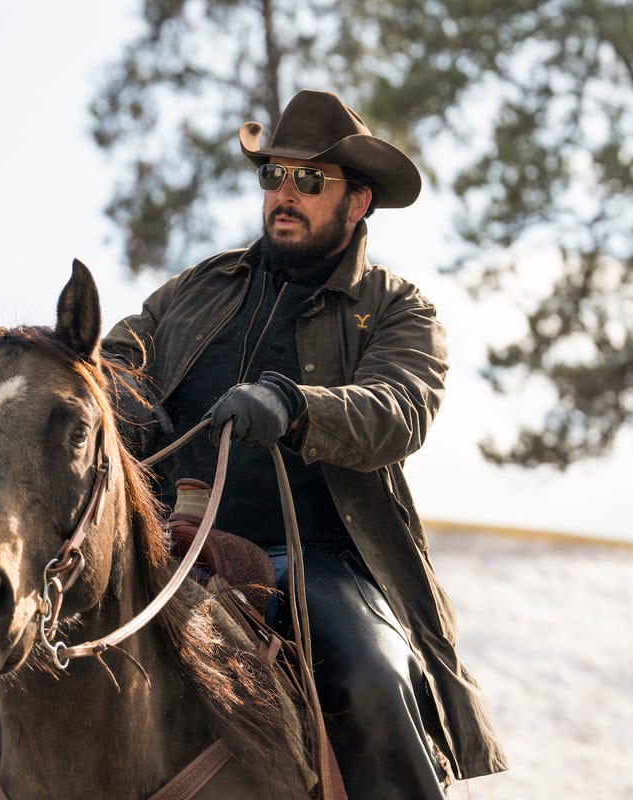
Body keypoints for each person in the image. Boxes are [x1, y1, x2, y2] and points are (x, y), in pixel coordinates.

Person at [104, 89, 507, 798]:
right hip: (158, 541)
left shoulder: (397, 309)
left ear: (358, 202)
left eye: (309, 180)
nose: (284, 194)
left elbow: (399, 409)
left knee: (374, 682)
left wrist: (293, 406)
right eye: (274, 176)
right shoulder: (194, 288)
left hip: (314, 556)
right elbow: (110, 367)